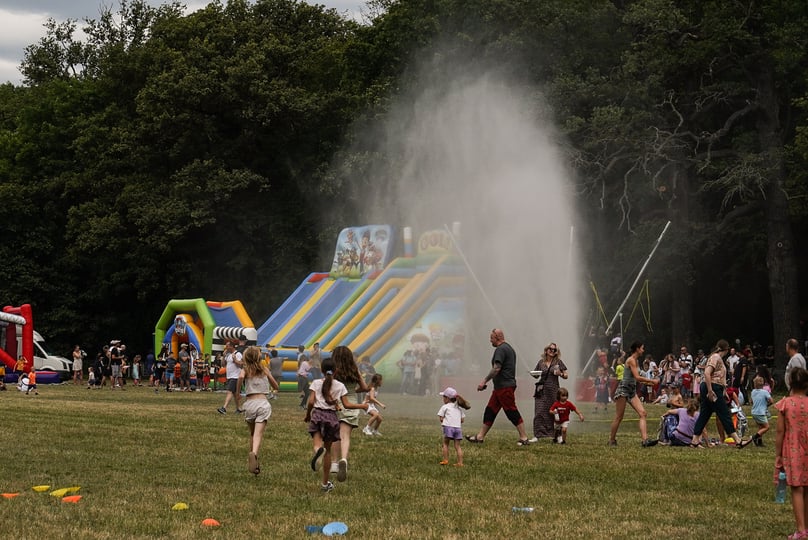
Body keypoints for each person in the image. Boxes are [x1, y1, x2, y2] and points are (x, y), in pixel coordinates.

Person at [305, 356, 368, 493]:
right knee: (327, 451)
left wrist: (308, 415)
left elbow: (310, 402)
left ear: (321, 370)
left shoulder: (316, 383)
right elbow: (346, 405)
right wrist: (362, 405)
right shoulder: (340, 386)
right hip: (331, 418)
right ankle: (325, 483)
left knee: (317, 444)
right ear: (336, 371)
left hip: (317, 415)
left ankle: (317, 452)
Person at [465, 328, 530, 446]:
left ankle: (524, 437)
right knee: (490, 411)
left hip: (505, 387)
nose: (490, 341)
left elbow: (496, 368)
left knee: (511, 411)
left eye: (491, 338)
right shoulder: (509, 348)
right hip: (500, 388)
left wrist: (484, 381)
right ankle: (480, 437)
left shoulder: (500, 349)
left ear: (497, 338)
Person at [690, 339, 749, 449]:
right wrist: (710, 390)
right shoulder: (716, 357)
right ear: (726, 349)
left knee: (705, 414)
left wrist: (724, 391)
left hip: (714, 387)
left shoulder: (716, 357)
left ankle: (694, 440)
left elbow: (718, 377)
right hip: (712, 387)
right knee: (724, 413)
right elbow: (707, 373)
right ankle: (738, 440)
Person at [775, 367, 808, 540]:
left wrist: (778, 454)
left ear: (790, 383)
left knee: (797, 488)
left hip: (793, 448)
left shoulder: (785, 403)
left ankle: (801, 530)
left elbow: (780, 432)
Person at [607, 341, 660, 447]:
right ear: (637, 349)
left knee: (643, 413)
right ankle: (611, 440)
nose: (643, 350)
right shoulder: (631, 360)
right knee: (619, 417)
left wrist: (648, 382)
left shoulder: (636, 361)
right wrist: (652, 381)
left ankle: (645, 441)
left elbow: (637, 379)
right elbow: (637, 377)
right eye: (642, 348)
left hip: (631, 391)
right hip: (623, 390)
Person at [330, 345, 370, 482]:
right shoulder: (355, 370)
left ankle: (334, 463)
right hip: (352, 404)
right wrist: (353, 391)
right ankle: (344, 459)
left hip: (337, 404)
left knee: (336, 435)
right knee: (345, 436)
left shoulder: (335, 371)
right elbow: (365, 388)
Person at [238, 346, 280, 476]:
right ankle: (254, 454)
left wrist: (238, 397)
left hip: (249, 404)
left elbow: (239, 381)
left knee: (252, 434)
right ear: (259, 357)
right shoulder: (264, 370)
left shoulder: (244, 370)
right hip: (262, 403)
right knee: (258, 434)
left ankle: (254, 465)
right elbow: (276, 386)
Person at [529, 342, 569, 443]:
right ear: (546, 350)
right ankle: (537, 435)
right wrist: (534, 374)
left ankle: (557, 435)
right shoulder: (541, 362)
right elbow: (536, 375)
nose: (552, 351)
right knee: (539, 412)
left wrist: (561, 374)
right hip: (541, 390)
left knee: (555, 413)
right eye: (550, 349)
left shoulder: (558, 362)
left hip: (554, 390)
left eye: (554, 350)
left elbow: (566, 375)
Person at [437, 386, 470, 466]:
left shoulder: (445, 407)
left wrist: (445, 420)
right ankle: (460, 463)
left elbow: (441, 418)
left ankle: (445, 460)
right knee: (457, 446)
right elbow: (462, 420)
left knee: (445, 444)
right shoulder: (458, 408)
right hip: (458, 429)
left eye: (443, 397)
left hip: (448, 428)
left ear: (447, 398)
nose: (443, 399)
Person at [218, 341, 243, 414]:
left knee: (229, 391)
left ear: (232, 346)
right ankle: (239, 408)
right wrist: (223, 356)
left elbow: (241, 364)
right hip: (229, 376)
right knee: (235, 394)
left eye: (227, 346)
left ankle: (224, 408)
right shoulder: (228, 355)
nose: (226, 347)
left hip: (235, 376)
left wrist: (235, 359)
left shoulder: (237, 354)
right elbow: (223, 364)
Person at [749, 376, 772, 447]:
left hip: (754, 412)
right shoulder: (765, 392)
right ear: (763, 384)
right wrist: (767, 405)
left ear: (754, 384)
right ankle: (755, 437)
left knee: (760, 427)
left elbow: (751, 401)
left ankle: (759, 442)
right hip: (761, 413)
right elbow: (771, 401)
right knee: (766, 427)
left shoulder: (753, 391)